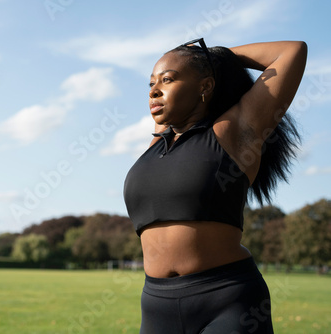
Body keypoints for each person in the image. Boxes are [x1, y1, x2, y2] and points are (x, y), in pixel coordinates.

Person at [123, 38, 307, 333]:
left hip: (226, 299)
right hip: (157, 303)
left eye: (168, 79)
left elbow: (292, 51)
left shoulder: (234, 130)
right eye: (151, 83)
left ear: (205, 86)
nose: (154, 90)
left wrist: (216, 58)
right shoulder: (157, 141)